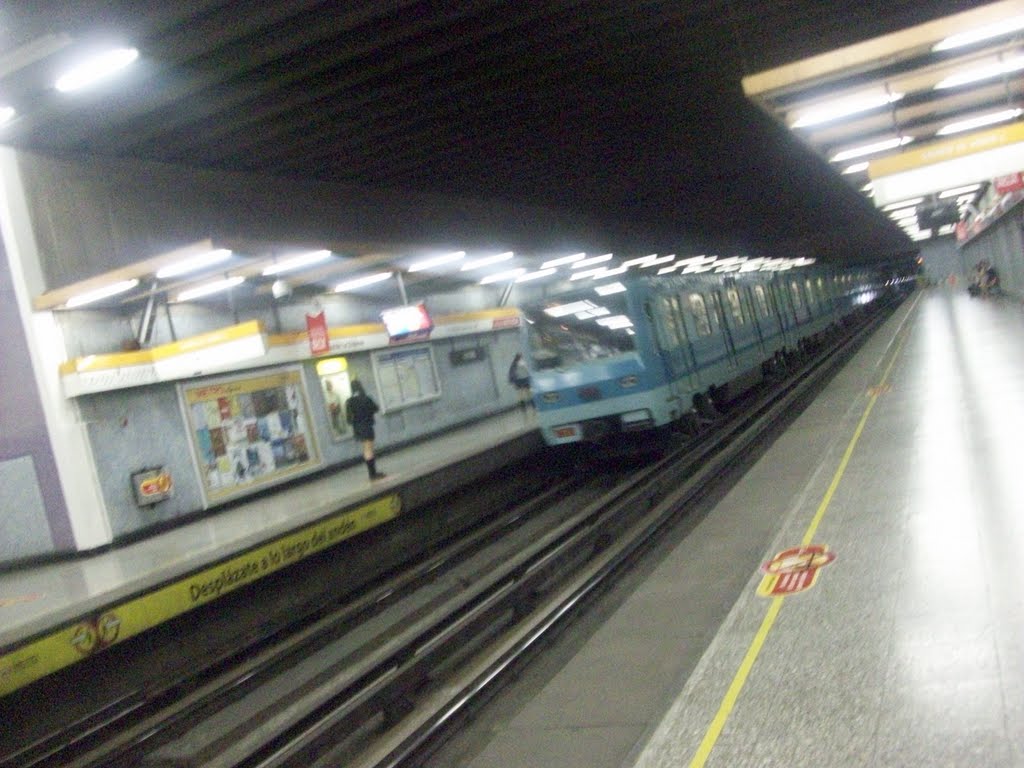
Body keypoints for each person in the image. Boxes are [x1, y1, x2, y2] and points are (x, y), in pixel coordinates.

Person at [345, 380, 385, 480]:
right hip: (367, 426)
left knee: (366, 449)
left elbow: (349, 419)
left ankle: (373, 473)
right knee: (369, 450)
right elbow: (375, 408)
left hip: (358, 428)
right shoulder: (366, 398)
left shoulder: (349, 401)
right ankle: (373, 474)